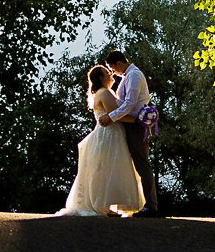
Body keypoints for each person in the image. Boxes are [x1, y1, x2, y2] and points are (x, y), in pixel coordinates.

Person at [56, 65, 145, 217]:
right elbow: (117, 115)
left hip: (112, 134)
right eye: (106, 73)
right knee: (108, 169)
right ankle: (103, 205)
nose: (110, 74)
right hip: (109, 135)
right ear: (100, 78)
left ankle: (106, 205)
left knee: (108, 169)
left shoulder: (103, 92)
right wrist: (140, 120)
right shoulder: (104, 93)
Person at [99, 50, 160, 217]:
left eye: (112, 67)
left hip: (136, 125)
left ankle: (151, 206)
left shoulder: (134, 76)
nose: (113, 72)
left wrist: (110, 117)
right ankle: (147, 204)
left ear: (119, 63)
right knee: (136, 164)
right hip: (129, 124)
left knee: (142, 163)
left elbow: (130, 104)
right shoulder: (127, 77)